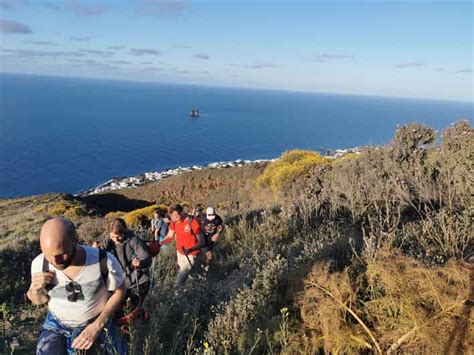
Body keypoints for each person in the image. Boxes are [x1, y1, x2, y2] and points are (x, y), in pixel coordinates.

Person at [28, 218, 126, 354]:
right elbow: (40, 301)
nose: (56, 261)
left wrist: (98, 325)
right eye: (49, 255)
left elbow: (120, 290)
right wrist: (34, 291)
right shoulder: (39, 264)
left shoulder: (103, 260)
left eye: (62, 254)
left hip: (95, 322)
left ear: (76, 240)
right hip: (56, 325)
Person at [98, 218, 152, 303]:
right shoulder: (107, 243)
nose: (116, 240)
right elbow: (98, 257)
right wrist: (94, 250)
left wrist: (140, 263)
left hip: (138, 281)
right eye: (112, 237)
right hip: (120, 283)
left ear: (124, 231)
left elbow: (147, 258)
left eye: (119, 236)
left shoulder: (134, 240)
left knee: (132, 310)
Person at [160, 204, 205, 287]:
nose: (174, 219)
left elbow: (202, 242)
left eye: (176, 217)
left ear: (182, 212)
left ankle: (176, 295)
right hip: (180, 253)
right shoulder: (174, 222)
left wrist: (190, 249)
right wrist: (160, 243)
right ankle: (197, 288)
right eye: (172, 217)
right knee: (191, 276)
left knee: (180, 279)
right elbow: (170, 236)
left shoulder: (192, 221)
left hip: (191, 255)